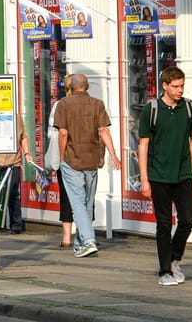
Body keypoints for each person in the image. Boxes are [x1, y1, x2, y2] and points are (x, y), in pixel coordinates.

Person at [137, 66, 192, 286]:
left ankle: (175, 259)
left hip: (183, 174)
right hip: (158, 175)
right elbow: (143, 145)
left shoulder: (190, 108)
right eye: (175, 86)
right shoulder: (152, 109)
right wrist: (144, 179)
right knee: (164, 224)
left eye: (182, 85)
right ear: (164, 86)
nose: (179, 90)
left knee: (187, 219)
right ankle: (164, 271)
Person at [52, 72, 122, 257]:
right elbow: (104, 131)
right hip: (92, 159)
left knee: (77, 202)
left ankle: (88, 240)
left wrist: (61, 156)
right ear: (87, 86)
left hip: (72, 159)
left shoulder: (63, 105)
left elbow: (63, 133)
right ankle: (80, 243)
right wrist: (113, 155)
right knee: (87, 201)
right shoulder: (97, 104)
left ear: (71, 87)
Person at [44, 75, 76, 248]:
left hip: (65, 156)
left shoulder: (58, 105)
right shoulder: (92, 103)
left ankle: (66, 237)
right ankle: (86, 235)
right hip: (85, 157)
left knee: (66, 195)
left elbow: (52, 133)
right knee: (85, 196)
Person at [0, 106, 33, 234]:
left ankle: (16, 225)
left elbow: (23, 136)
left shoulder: (16, 117)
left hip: (13, 162)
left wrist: (27, 153)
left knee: (12, 194)